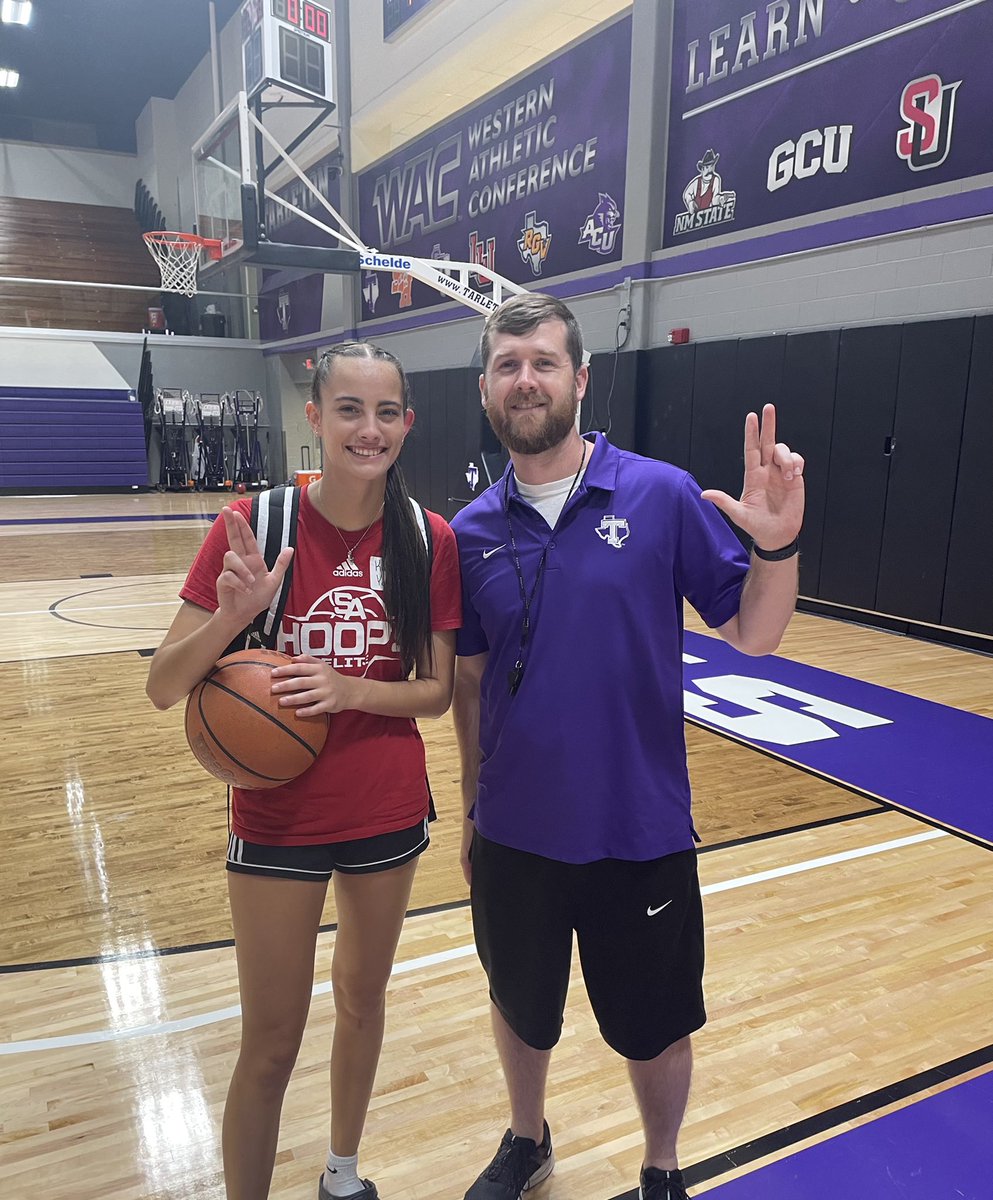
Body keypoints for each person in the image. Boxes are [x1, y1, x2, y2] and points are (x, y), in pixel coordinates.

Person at [450, 293, 804, 1200]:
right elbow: (471, 684)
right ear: (485, 388)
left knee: (652, 1026)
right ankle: (526, 1141)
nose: (524, 379)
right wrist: (469, 809)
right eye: (506, 365)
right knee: (518, 1007)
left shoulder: (659, 494)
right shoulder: (469, 532)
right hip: (514, 830)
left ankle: (659, 1166)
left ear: (580, 378)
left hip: (637, 827)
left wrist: (777, 546)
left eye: (542, 361)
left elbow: (754, 635)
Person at [146, 342, 462, 1200]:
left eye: (387, 411)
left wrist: (349, 685)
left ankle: (342, 1173)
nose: (370, 429)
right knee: (272, 1039)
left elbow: (434, 693)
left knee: (362, 1001)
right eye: (350, 410)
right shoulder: (254, 526)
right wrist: (232, 619)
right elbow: (162, 686)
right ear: (314, 417)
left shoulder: (427, 539)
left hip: (387, 810)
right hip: (277, 816)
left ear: (407, 422)